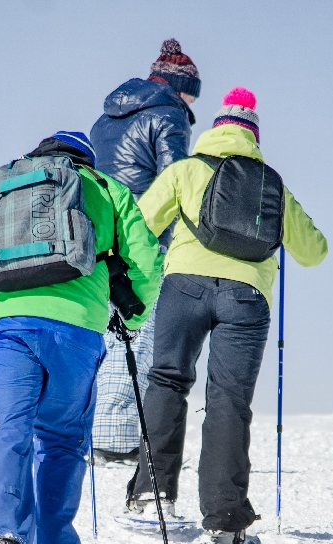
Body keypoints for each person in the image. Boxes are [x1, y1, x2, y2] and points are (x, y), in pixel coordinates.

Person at [0, 131, 162, 544]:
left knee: (10, 431)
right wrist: (131, 317)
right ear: (86, 159)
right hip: (77, 330)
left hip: (10, 324)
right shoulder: (106, 188)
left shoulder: (0, 182)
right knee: (61, 441)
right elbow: (146, 263)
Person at [127, 88, 329, 544]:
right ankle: (223, 522)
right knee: (229, 401)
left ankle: (152, 496)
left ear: (215, 129)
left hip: (183, 287)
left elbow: (140, 224)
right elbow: (314, 252)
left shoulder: (186, 170)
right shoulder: (271, 184)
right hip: (247, 298)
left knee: (167, 381)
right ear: (253, 137)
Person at [89, 39, 200, 465]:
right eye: (192, 95)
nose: (193, 104)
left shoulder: (105, 118)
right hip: (143, 234)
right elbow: (176, 180)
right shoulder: (169, 114)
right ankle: (116, 438)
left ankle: (93, 428)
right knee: (138, 329)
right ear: (180, 88)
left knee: (104, 329)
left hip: (102, 234)